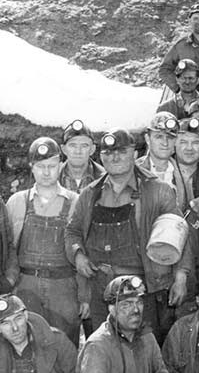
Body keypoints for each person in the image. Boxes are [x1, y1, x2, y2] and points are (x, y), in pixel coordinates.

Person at [65, 130, 185, 342]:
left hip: (141, 288)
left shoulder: (158, 190)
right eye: (109, 153)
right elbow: (72, 231)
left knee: (142, 348)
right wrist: (78, 255)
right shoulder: (90, 194)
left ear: (134, 152)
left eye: (121, 151)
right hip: (101, 288)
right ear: (100, 156)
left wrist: (181, 276)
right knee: (103, 349)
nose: (115, 157)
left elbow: (178, 233)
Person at [5, 137, 81, 340]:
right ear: (31, 167)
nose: (46, 172)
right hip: (26, 286)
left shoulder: (75, 202)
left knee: (64, 347)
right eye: (40, 166)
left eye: (52, 166)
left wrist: (85, 296)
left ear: (60, 165)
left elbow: (84, 251)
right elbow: (8, 249)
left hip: (64, 288)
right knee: (28, 344)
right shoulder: (16, 202)